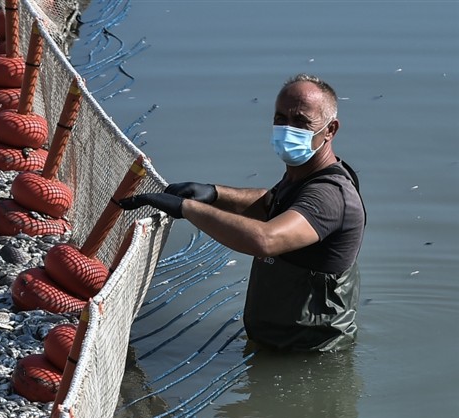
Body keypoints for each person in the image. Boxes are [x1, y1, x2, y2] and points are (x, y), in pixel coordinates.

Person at [119, 74, 366, 352]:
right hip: (277, 343)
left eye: (301, 121)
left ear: (330, 130)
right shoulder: (302, 177)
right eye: (280, 118)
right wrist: (213, 194)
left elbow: (265, 240)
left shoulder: (328, 195)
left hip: (311, 356)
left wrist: (187, 209)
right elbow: (270, 203)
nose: (287, 128)